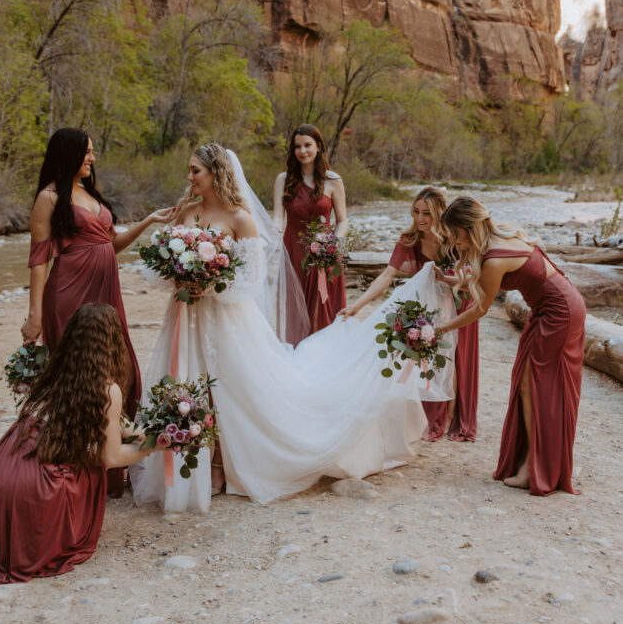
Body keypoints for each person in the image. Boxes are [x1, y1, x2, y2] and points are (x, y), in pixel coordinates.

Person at [130, 144, 436, 514]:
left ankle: (220, 464)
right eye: (189, 170)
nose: (190, 177)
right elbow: (158, 269)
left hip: (225, 317)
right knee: (186, 380)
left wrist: (207, 283)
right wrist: (179, 275)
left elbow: (250, 278)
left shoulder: (240, 217)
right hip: (184, 314)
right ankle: (187, 457)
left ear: (216, 173)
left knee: (231, 386)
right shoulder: (185, 213)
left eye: (196, 170)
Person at [21, 128, 170, 495]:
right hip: (69, 293)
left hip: (106, 293)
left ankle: (110, 468)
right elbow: (40, 259)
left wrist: (149, 221)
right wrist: (35, 314)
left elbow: (110, 244)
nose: (92, 158)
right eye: (87, 153)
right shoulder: (49, 198)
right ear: (68, 154)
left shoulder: (89, 194)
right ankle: (79, 472)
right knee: (80, 378)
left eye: (92, 152)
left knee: (120, 372)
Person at [0, 304, 151, 591]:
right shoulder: (107, 388)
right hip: (31, 488)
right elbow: (111, 458)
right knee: (88, 463)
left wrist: (151, 432)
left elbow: (119, 424)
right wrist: (154, 447)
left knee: (82, 451)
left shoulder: (56, 371)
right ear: (114, 340)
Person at [437, 197, 586, 496]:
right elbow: (480, 282)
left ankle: (535, 467)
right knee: (528, 383)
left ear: (469, 228)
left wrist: (441, 328)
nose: (454, 240)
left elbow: (480, 308)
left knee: (534, 385)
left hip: (558, 312)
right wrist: (449, 280)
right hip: (553, 307)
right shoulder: (500, 235)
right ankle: (537, 462)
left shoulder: (494, 258)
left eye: (455, 233)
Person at [341, 186, 477, 441]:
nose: (420, 219)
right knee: (417, 355)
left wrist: (446, 278)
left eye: (426, 213)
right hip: (423, 304)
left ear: (439, 214)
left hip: (457, 301)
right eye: (416, 212)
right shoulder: (409, 240)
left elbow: (472, 274)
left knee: (450, 358)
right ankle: (419, 413)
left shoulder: (454, 240)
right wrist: (357, 305)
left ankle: (448, 418)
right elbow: (387, 274)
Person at [273, 124, 348, 340]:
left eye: (307, 145)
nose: (302, 151)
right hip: (294, 251)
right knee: (297, 308)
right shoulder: (283, 179)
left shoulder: (333, 180)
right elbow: (278, 216)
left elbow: (342, 221)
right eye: (297, 146)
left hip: (326, 253)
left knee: (325, 308)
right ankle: (298, 358)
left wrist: (332, 244)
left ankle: (326, 360)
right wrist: (274, 231)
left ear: (318, 147)